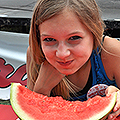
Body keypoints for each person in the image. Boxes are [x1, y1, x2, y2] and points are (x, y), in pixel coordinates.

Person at [26, 0, 120, 119]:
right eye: (49, 40)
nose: (62, 54)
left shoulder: (111, 51)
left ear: (95, 30)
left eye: (74, 38)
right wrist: (42, 89)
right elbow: (31, 114)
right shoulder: (36, 54)